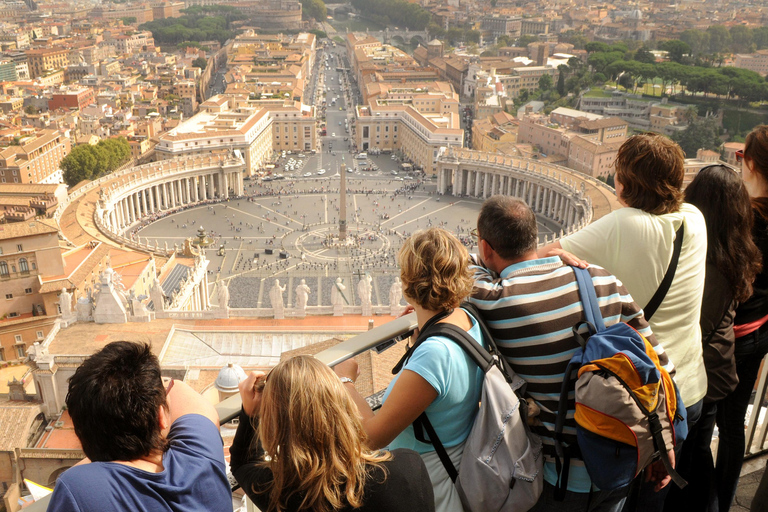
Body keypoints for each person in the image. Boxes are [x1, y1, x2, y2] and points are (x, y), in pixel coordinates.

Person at [469, 195, 672, 512]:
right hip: (620, 460)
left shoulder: (494, 300)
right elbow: (659, 365)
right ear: (534, 239)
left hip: (560, 477)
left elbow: (458, 266)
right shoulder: (602, 278)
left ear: (485, 248)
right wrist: (663, 447)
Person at [540, 133, 707, 509]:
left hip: (642, 395)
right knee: (652, 499)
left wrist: (559, 255)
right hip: (688, 391)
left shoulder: (623, 224)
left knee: (621, 495)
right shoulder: (694, 219)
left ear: (624, 182)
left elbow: (535, 257)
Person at [335, 227, 485, 512]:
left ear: (408, 283)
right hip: (453, 464)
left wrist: (345, 381)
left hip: (430, 488)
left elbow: (371, 438)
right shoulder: (466, 318)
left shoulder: (434, 354)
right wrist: (422, 333)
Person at [662, 165, 762, 512]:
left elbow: (695, 326)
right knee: (698, 453)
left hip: (697, 374)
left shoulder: (702, 258)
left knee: (688, 459)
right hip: (717, 371)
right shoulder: (740, 251)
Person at [230, 355, 434, 512]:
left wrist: (251, 413)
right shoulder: (406, 469)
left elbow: (242, 463)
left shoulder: (280, 492)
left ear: (278, 426)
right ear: (342, 407)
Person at [48, 341, 231, 512]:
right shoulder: (201, 454)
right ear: (161, 417)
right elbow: (179, 390)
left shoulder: (78, 488)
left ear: (81, 436)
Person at [716, 125, 768, 512]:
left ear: (748, 162)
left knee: (699, 425)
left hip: (724, 337)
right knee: (733, 427)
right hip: (759, 333)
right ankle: (722, 498)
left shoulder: (743, 217)